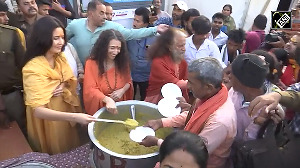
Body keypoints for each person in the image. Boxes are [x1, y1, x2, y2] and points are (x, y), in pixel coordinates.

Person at [141, 57, 237, 168]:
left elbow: (194, 152)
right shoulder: (211, 94)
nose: (188, 86)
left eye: (191, 83)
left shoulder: (219, 122)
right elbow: (193, 115)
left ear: (208, 87)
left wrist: (157, 141)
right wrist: (161, 122)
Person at [22, 16, 96, 154]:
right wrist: (75, 117)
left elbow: (67, 77)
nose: (61, 42)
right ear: (43, 38)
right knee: (56, 149)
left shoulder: (59, 57)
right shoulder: (32, 69)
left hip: (64, 109)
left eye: (62, 37)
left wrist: (62, 85)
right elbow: (38, 110)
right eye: (56, 38)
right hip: (49, 118)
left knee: (69, 144)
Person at [66, 0, 168, 65]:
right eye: (101, 13)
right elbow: (62, 40)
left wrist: (155, 29)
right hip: (82, 74)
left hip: (103, 72)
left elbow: (131, 34)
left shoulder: (111, 26)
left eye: (106, 13)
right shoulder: (75, 25)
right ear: (91, 13)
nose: (105, 17)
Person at [229, 53, 284, 141]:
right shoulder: (234, 92)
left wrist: (257, 123)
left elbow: (257, 146)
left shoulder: (270, 110)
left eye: (232, 74)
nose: (229, 76)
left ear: (243, 83)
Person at [83, 29, 133, 115]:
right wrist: (107, 99)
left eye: (118, 48)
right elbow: (90, 89)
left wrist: (122, 91)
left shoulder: (123, 61)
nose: (115, 52)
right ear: (103, 47)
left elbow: (128, 81)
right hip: (100, 107)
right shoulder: (91, 63)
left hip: (120, 104)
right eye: (112, 48)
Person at [0, 1, 26, 132]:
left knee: (21, 129)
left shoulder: (11, 34)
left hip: (11, 95)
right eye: (2, 15)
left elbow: (23, 65)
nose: (6, 19)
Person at [145, 28, 188, 104]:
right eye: (180, 46)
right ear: (170, 46)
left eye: (184, 45)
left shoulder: (182, 62)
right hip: (157, 100)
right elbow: (174, 83)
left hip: (175, 98)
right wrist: (196, 83)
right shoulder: (158, 62)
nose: (184, 49)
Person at [127, 7, 156, 101]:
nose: (134, 23)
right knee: (130, 98)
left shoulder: (155, 38)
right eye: (134, 20)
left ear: (146, 24)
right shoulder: (128, 35)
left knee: (145, 100)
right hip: (130, 76)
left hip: (146, 77)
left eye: (138, 21)